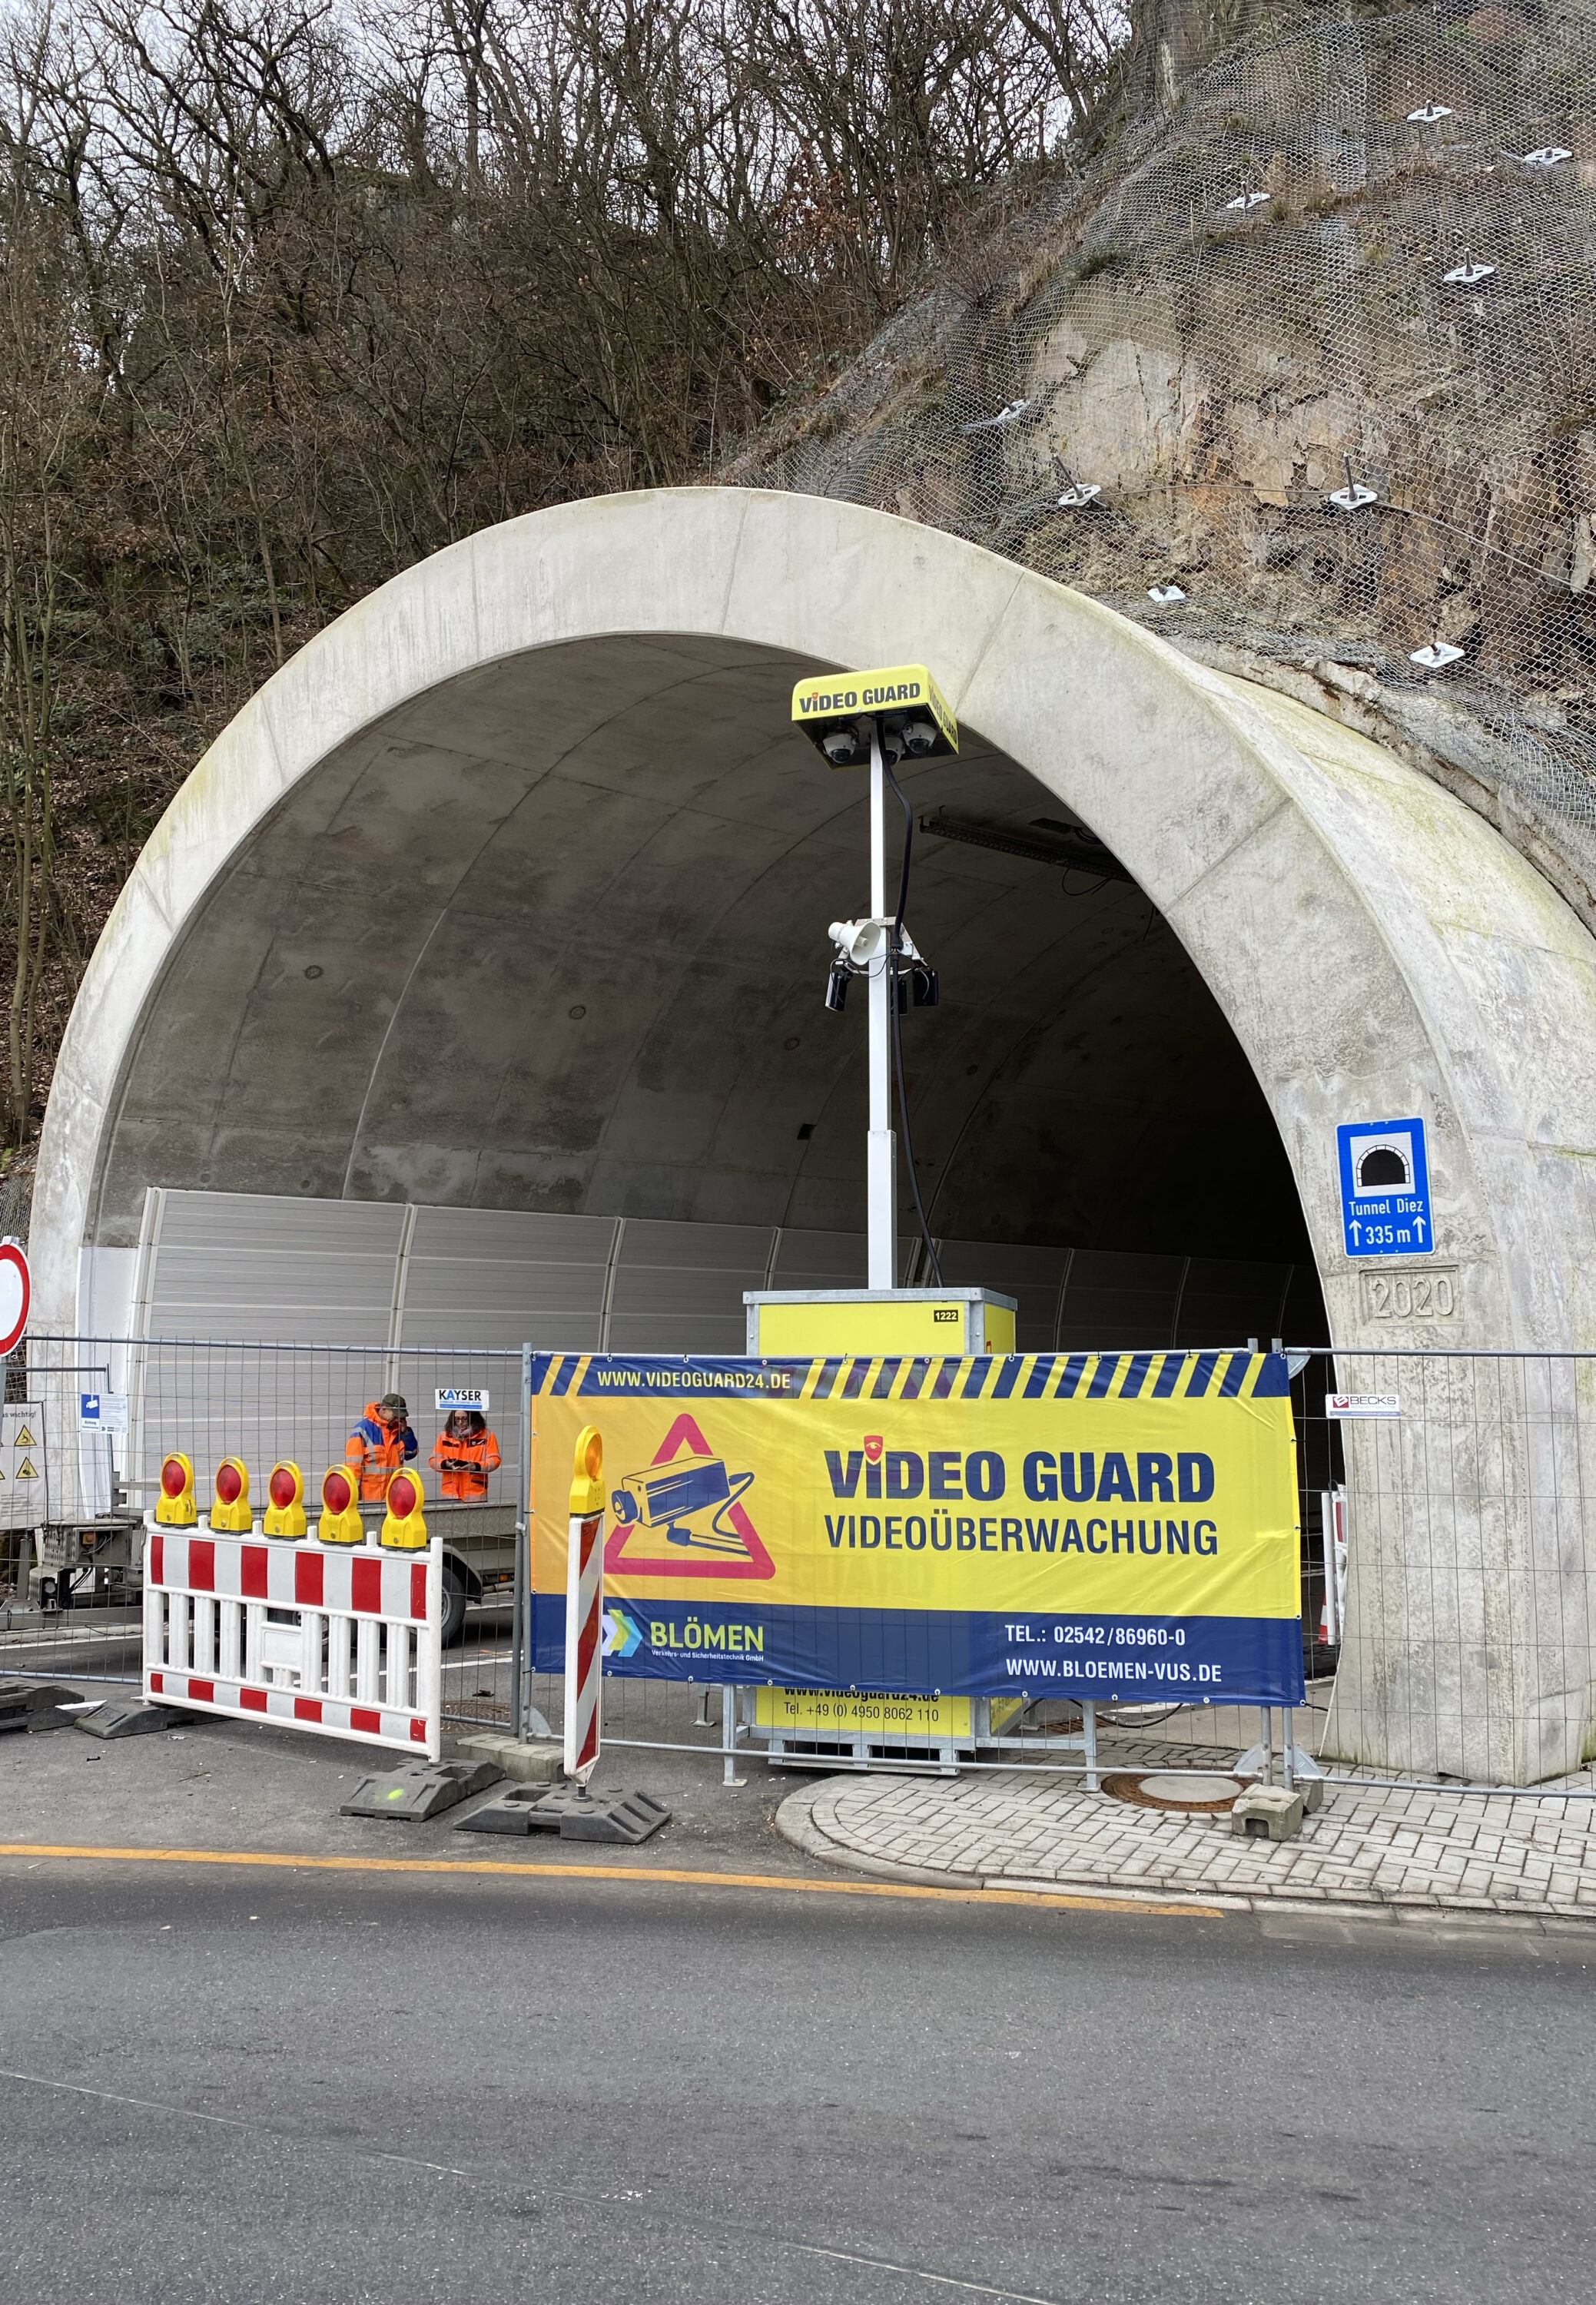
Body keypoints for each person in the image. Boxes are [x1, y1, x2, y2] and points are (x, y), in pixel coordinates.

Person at [345, 1391, 418, 1503]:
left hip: (393, 1499)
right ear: (383, 1409)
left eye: (401, 1416)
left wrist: (405, 1432)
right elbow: (353, 1466)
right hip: (368, 1499)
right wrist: (354, 1495)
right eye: (395, 1414)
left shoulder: (398, 1430)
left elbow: (411, 1453)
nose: (398, 1418)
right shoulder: (363, 1429)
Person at [430, 1408, 502, 1501]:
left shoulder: (487, 1435)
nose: (460, 1422)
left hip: (475, 1493)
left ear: (473, 1418)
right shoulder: (444, 1436)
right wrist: (446, 1464)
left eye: (464, 1419)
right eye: (457, 1419)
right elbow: (433, 1461)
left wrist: (476, 1466)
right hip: (451, 1494)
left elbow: (495, 1460)